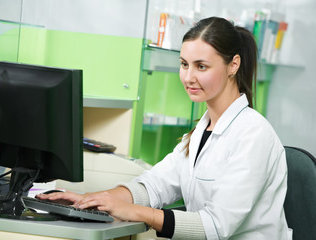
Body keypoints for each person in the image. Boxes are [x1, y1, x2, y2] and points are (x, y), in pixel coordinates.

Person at [37, 17, 292, 239]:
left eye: (201, 66)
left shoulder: (253, 134)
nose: (188, 77)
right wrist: (92, 200)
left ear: (233, 65)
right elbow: (155, 185)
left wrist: (137, 212)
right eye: (184, 64)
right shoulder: (201, 131)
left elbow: (215, 226)